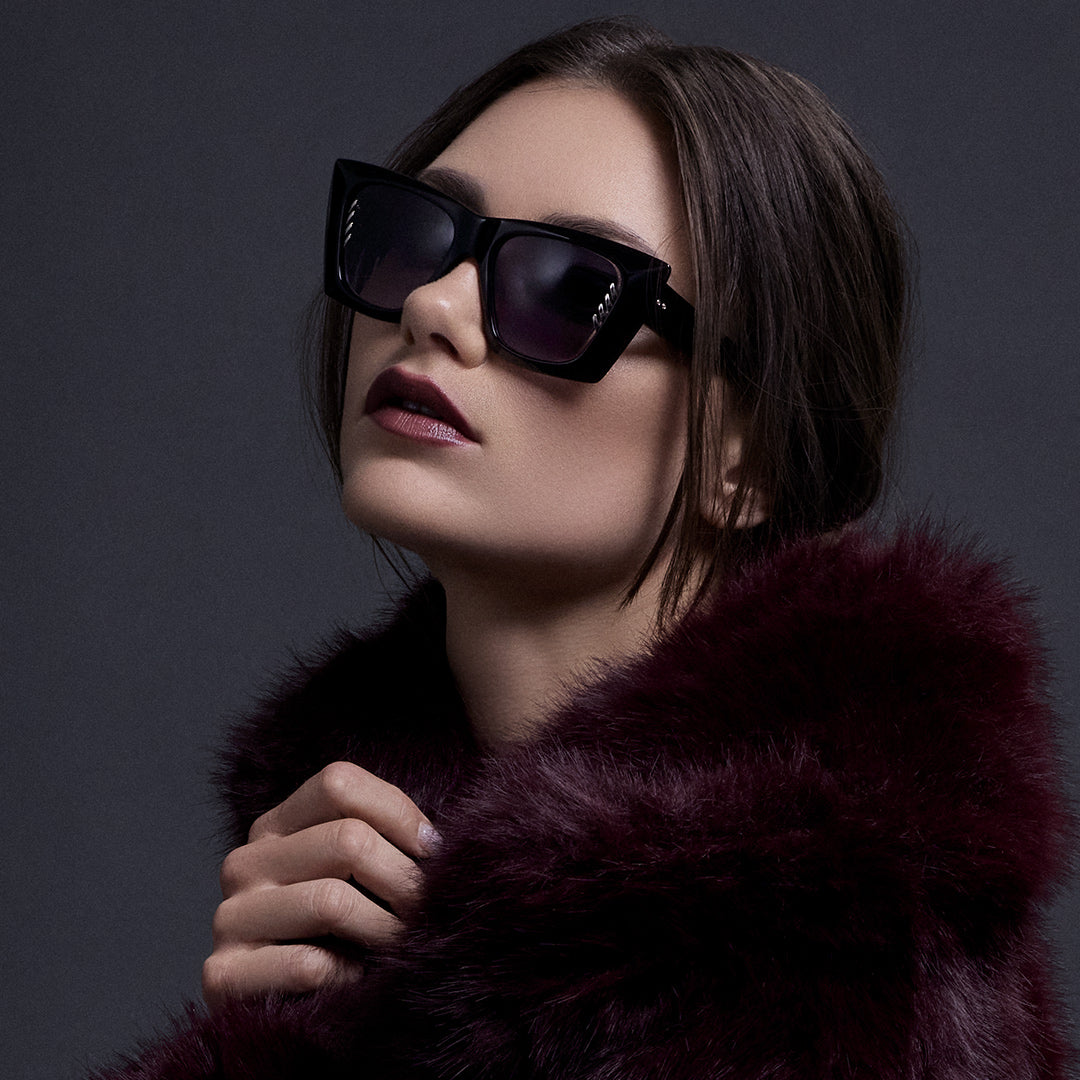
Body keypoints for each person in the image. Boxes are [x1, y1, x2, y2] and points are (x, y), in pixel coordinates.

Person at [93, 16, 1072, 1079]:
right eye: (415, 236)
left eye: (565, 289)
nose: (431, 305)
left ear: (745, 457)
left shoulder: (846, 974)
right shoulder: (353, 874)